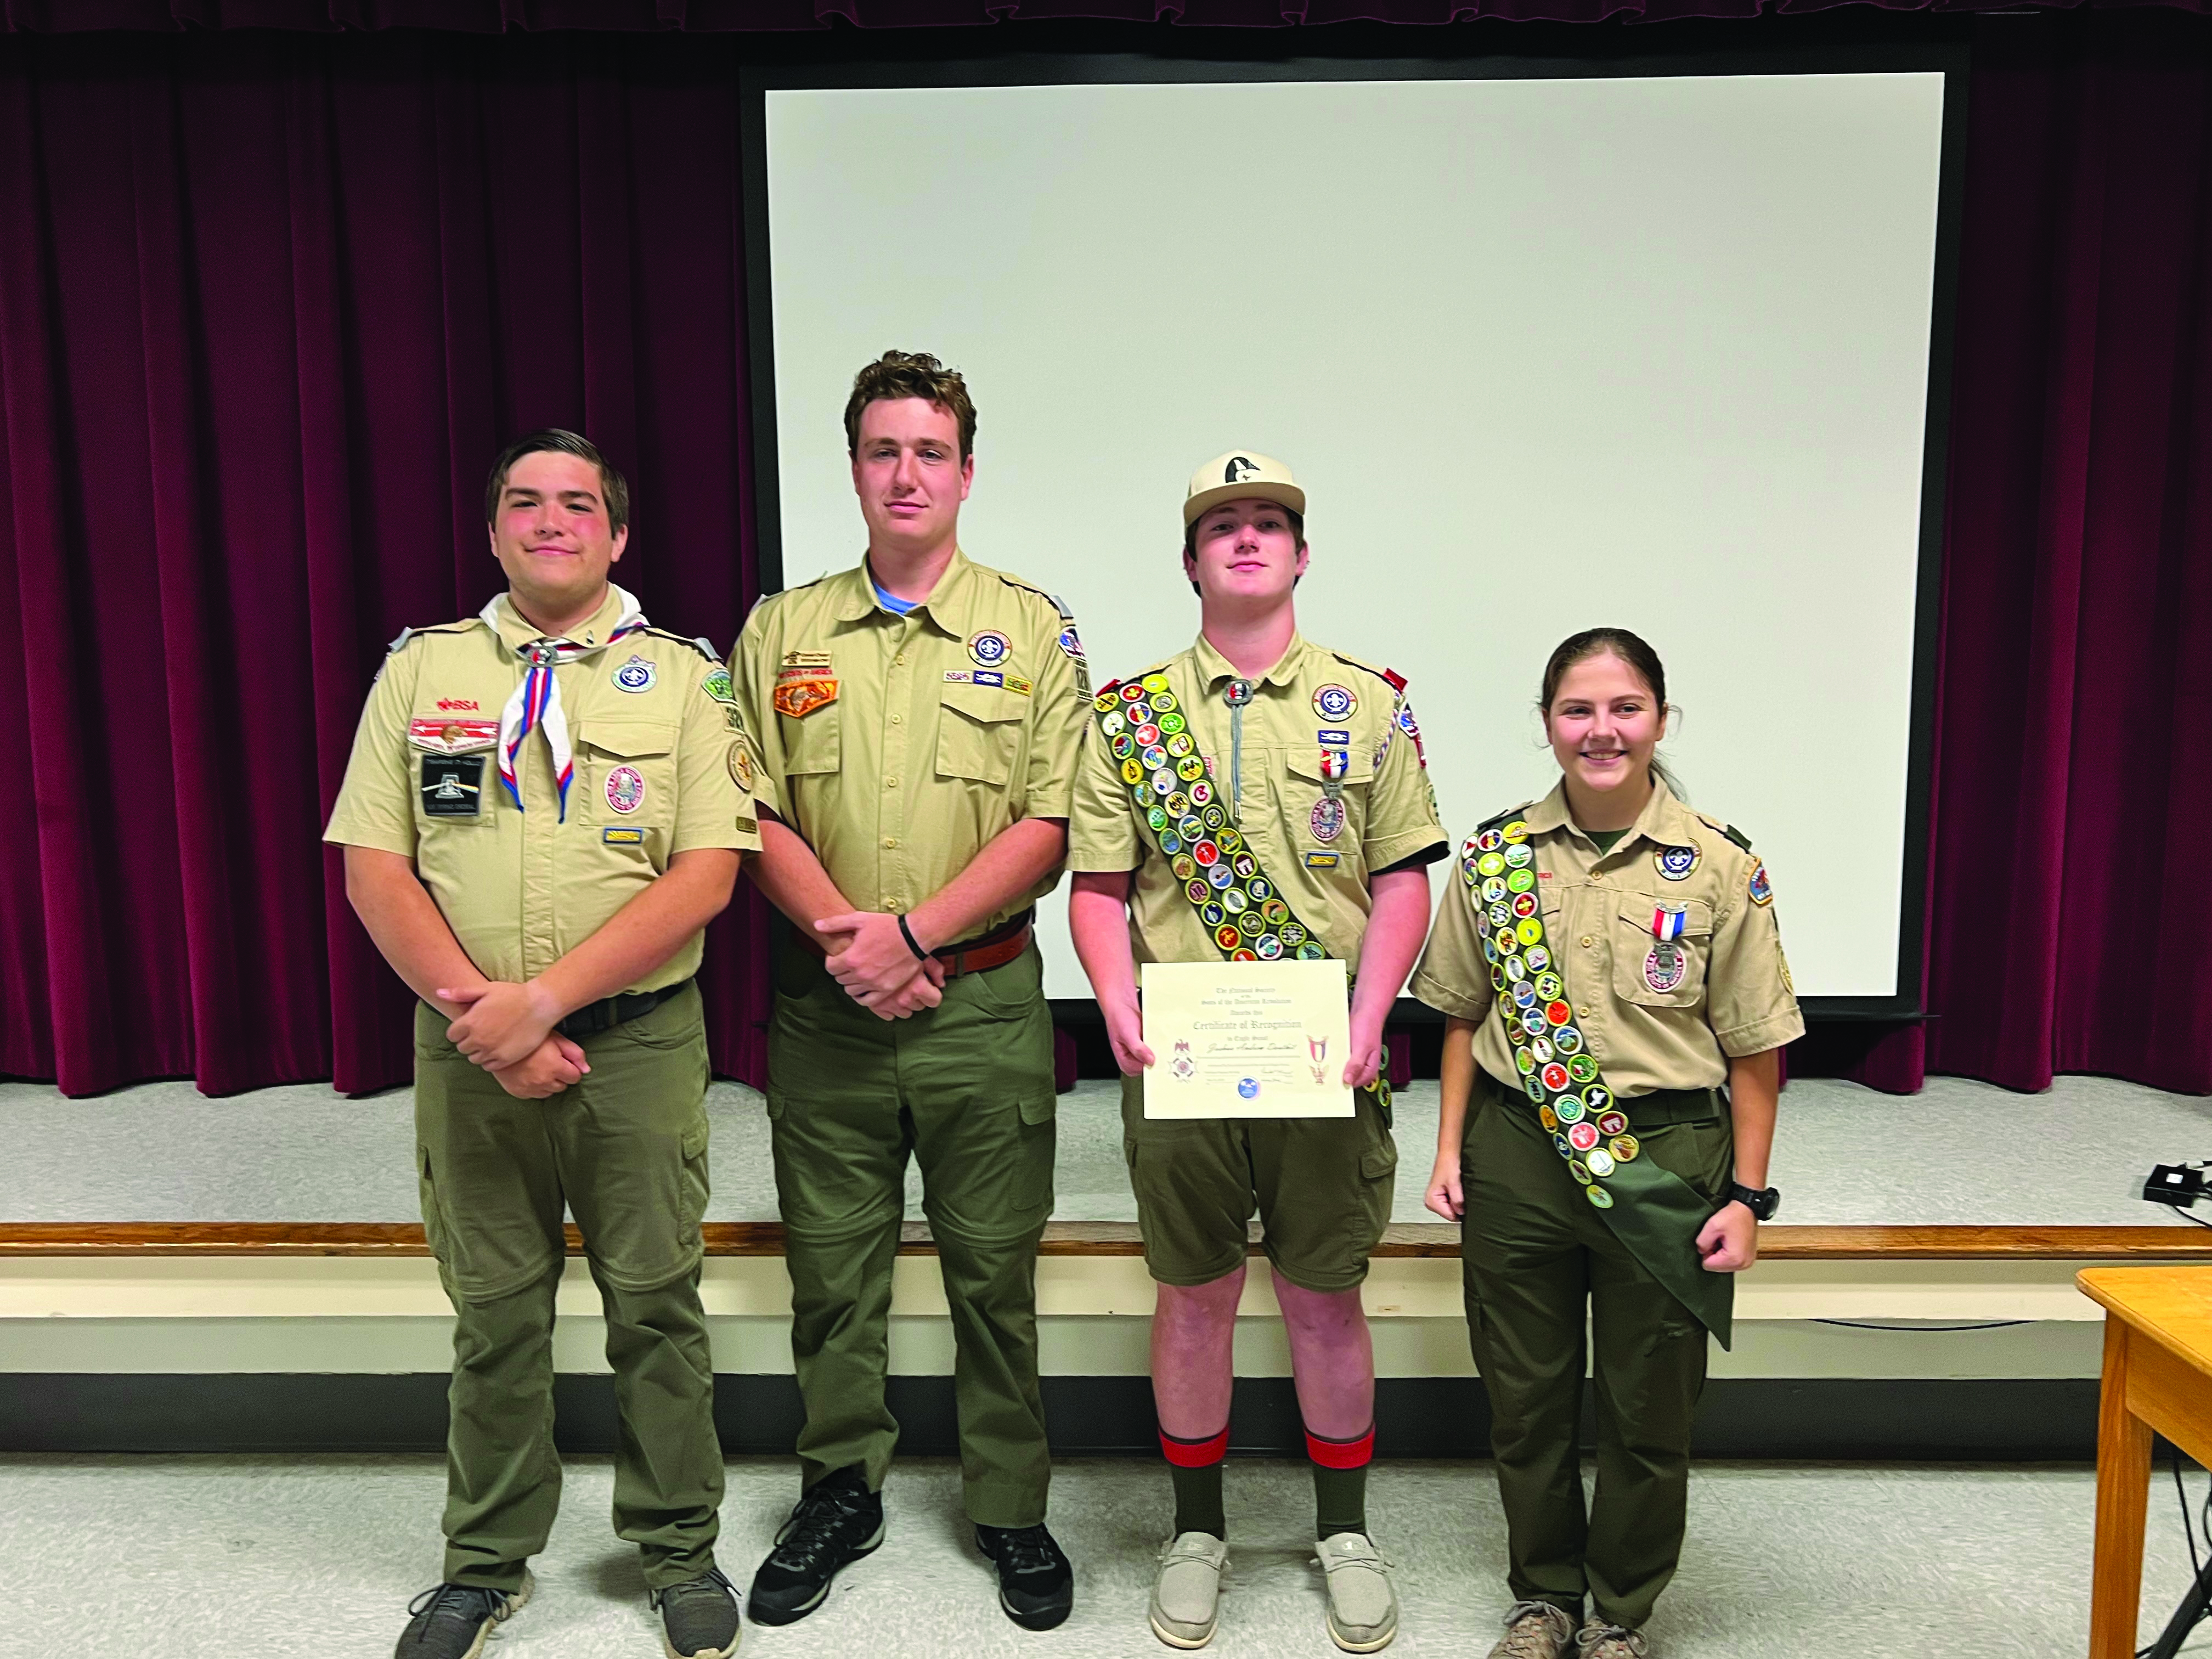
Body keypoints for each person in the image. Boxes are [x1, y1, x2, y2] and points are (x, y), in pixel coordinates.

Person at [325, 429, 759, 1659]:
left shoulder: (682, 677)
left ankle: (677, 1546)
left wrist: (545, 1002)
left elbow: (709, 872)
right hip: (471, 1049)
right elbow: (374, 864)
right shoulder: (424, 671)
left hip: (631, 1045)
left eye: (579, 504)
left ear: (619, 535)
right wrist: (490, 1019)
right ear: (495, 530)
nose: (551, 520)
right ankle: (484, 1561)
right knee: (494, 1312)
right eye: (526, 502)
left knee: (656, 1304)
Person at [727, 351, 1088, 1633]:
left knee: (996, 1271)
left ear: (967, 471)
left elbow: (1053, 819)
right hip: (830, 1009)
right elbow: (748, 804)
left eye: (930, 451)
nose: (907, 473)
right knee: (835, 1275)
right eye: (884, 450)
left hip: (982, 1009)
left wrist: (915, 936)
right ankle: (841, 1490)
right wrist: (851, 940)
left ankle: (1008, 1502)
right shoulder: (782, 630)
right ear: (855, 470)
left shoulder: (1034, 629)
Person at [1067, 451, 1447, 1654]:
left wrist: (1373, 1013)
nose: (1245, 539)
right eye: (1222, 525)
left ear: (1298, 554)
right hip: (1181, 1056)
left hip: (1324, 1058)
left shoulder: (1369, 703)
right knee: (1193, 1297)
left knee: (1326, 1299)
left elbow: (1399, 884)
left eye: (1267, 523)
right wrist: (1115, 1001)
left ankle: (1343, 1530)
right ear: (1191, 560)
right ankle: (1196, 1530)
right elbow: (1097, 888)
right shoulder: (1129, 718)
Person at [1410, 627, 1798, 1659]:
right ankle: (1542, 1598)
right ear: (1547, 726)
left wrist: (1748, 1200)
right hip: (1519, 1151)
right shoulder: (1493, 860)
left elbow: (1755, 1050)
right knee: (1525, 1399)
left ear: (1662, 720)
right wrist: (1449, 1152)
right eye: (1578, 711)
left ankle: (1620, 1614)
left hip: (1665, 1161)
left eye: (1625, 708)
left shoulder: (1719, 864)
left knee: (1648, 1408)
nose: (1602, 731)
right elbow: (1460, 1013)